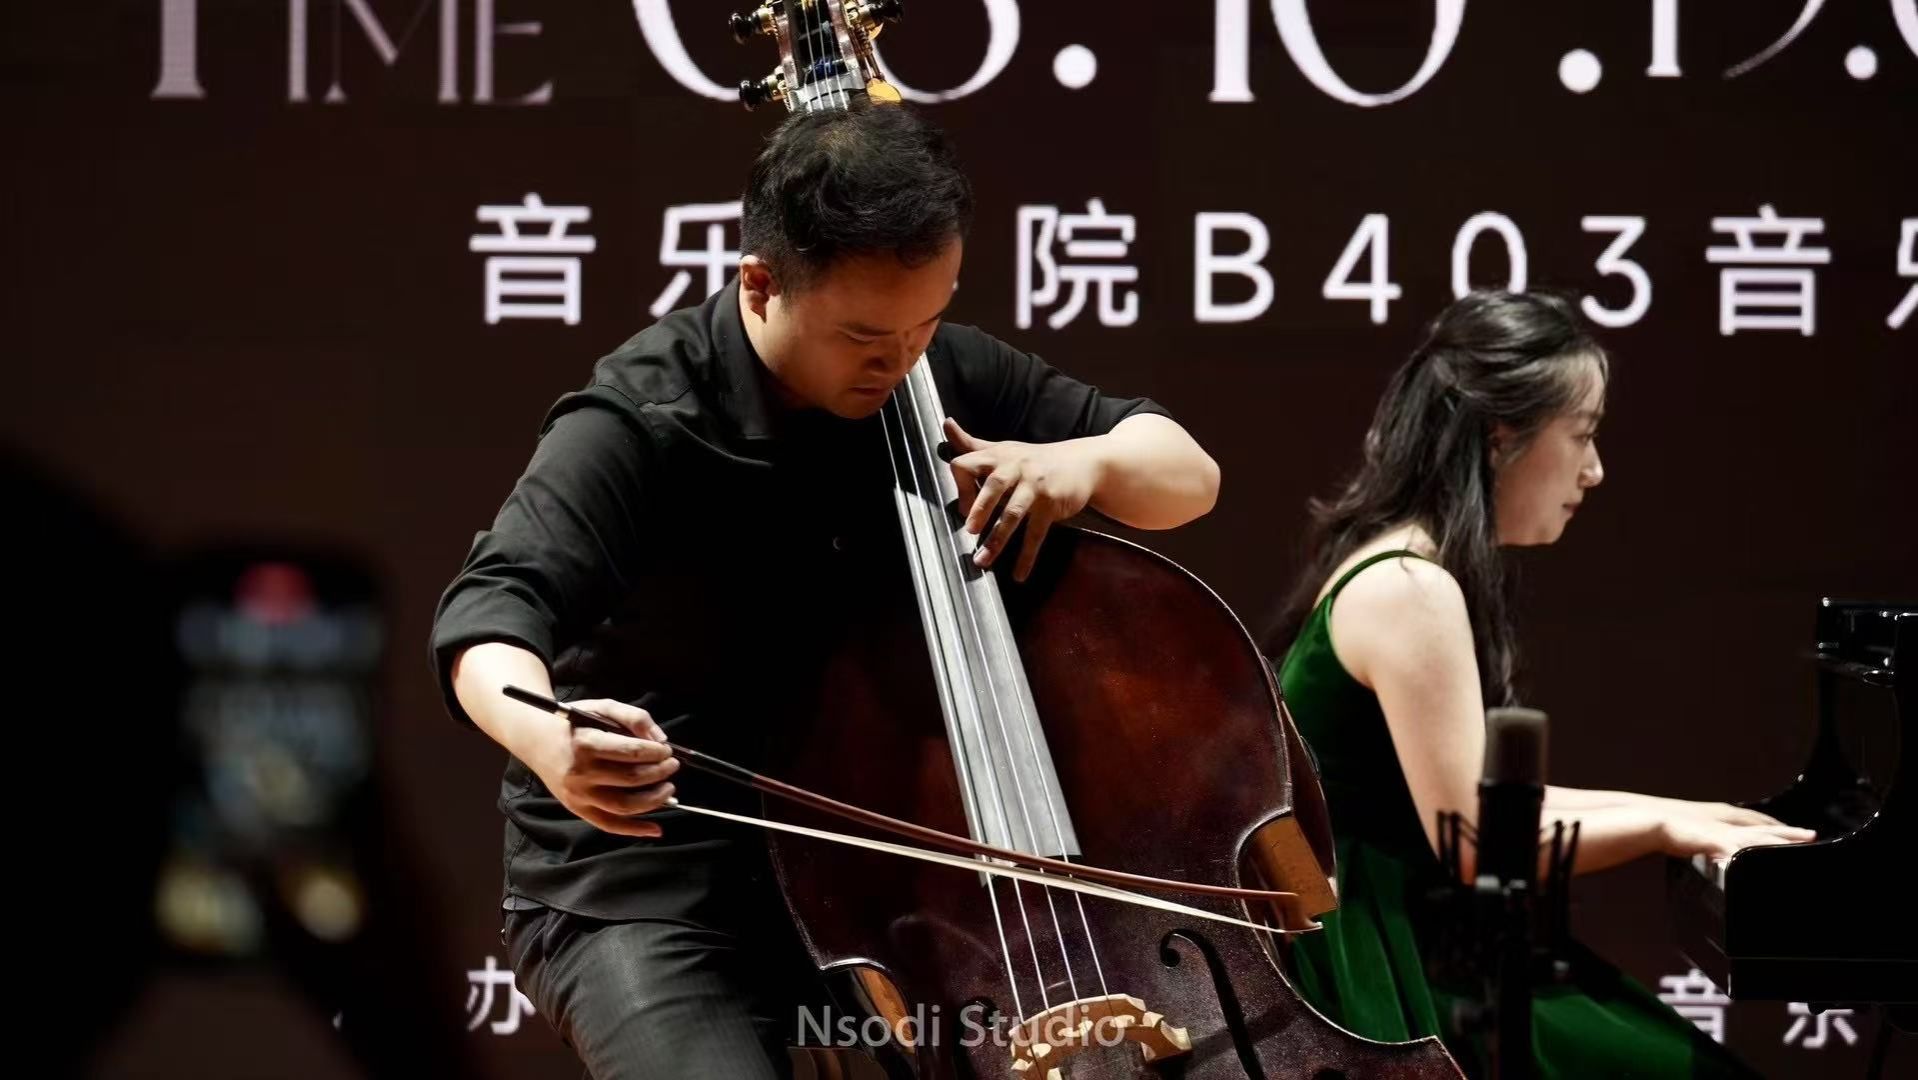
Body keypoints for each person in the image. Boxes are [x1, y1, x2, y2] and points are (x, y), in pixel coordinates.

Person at [427, 100, 1221, 1079]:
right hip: (652, 892)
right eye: (864, 336)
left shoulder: (929, 370)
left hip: (872, 889)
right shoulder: (641, 419)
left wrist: (1084, 465)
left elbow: (1186, 474)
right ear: (760, 285)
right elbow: (488, 618)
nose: (901, 362)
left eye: (927, 323)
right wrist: (549, 736)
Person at [1267, 290, 1808, 1077]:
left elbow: (1491, 807)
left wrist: (1687, 815)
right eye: (1582, 434)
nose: (1595, 469)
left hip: (1425, 943)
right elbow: (1478, 843)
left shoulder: (1406, 567)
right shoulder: (1408, 589)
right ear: (1501, 435)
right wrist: (1663, 830)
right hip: (1399, 974)